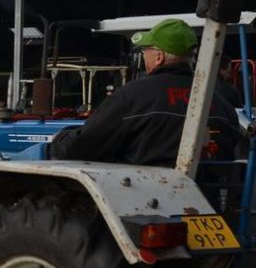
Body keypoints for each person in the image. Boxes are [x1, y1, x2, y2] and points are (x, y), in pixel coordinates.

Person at [51, 18, 240, 166]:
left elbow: (82, 147)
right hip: (212, 197)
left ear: (159, 57)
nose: (143, 55)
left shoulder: (131, 97)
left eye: (145, 51)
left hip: (144, 197)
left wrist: (59, 140)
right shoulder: (221, 104)